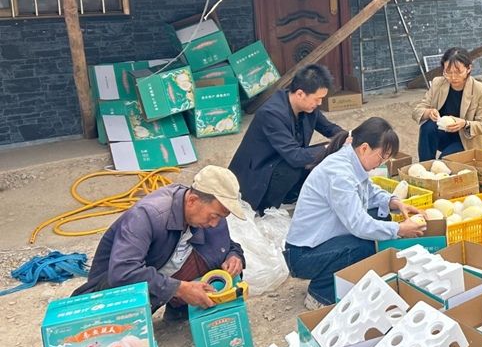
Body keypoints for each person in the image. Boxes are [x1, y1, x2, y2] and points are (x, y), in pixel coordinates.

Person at [284, 117, 426, 308]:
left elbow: (369, 190)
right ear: (365, 148)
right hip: (303, 255)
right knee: (365, 245)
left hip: (320, 243)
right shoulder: (339, 174)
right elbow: (359, 225)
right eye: (382, 157)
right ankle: (320, 294)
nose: (382, 162)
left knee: (380, 217)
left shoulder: (352, 161)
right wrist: (399, 229)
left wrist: (393, 202)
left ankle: (339, 277)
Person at [72, 165, 246, 317]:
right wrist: (180, 288)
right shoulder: (147, 215)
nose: (215, 223)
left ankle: (180, 311)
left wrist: (233, 256)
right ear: (192, 200)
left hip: (159, 269)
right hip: (110, 290)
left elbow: (224, 243)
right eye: (214, 216)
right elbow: (123, 272)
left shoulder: (202, 214)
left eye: (221, 217)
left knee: (216, 260)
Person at [229, 64, 345, 215]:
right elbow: (294, 156)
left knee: (326, 152)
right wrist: (330, 147)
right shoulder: (271, 114)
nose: (319, 103)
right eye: (317, 99)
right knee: (298, 165)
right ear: (300, 94)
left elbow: (329, 129)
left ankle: (291, 197)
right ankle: (265, 210)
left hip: (279, 162)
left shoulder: (308, 108)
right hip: (258, 174)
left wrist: (349, 137)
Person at [412, 47, 482, 161]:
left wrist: (465, 124)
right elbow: (417, 111)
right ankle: (425, 165)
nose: (453, 77)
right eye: (448, 72)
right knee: (427, 127)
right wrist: (429, 112)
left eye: (458, 72)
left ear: (468, 68)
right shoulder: (438, 83)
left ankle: (441, 164)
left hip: (465, 140)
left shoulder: (478, 89)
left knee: (444, 161)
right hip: (444, 135)